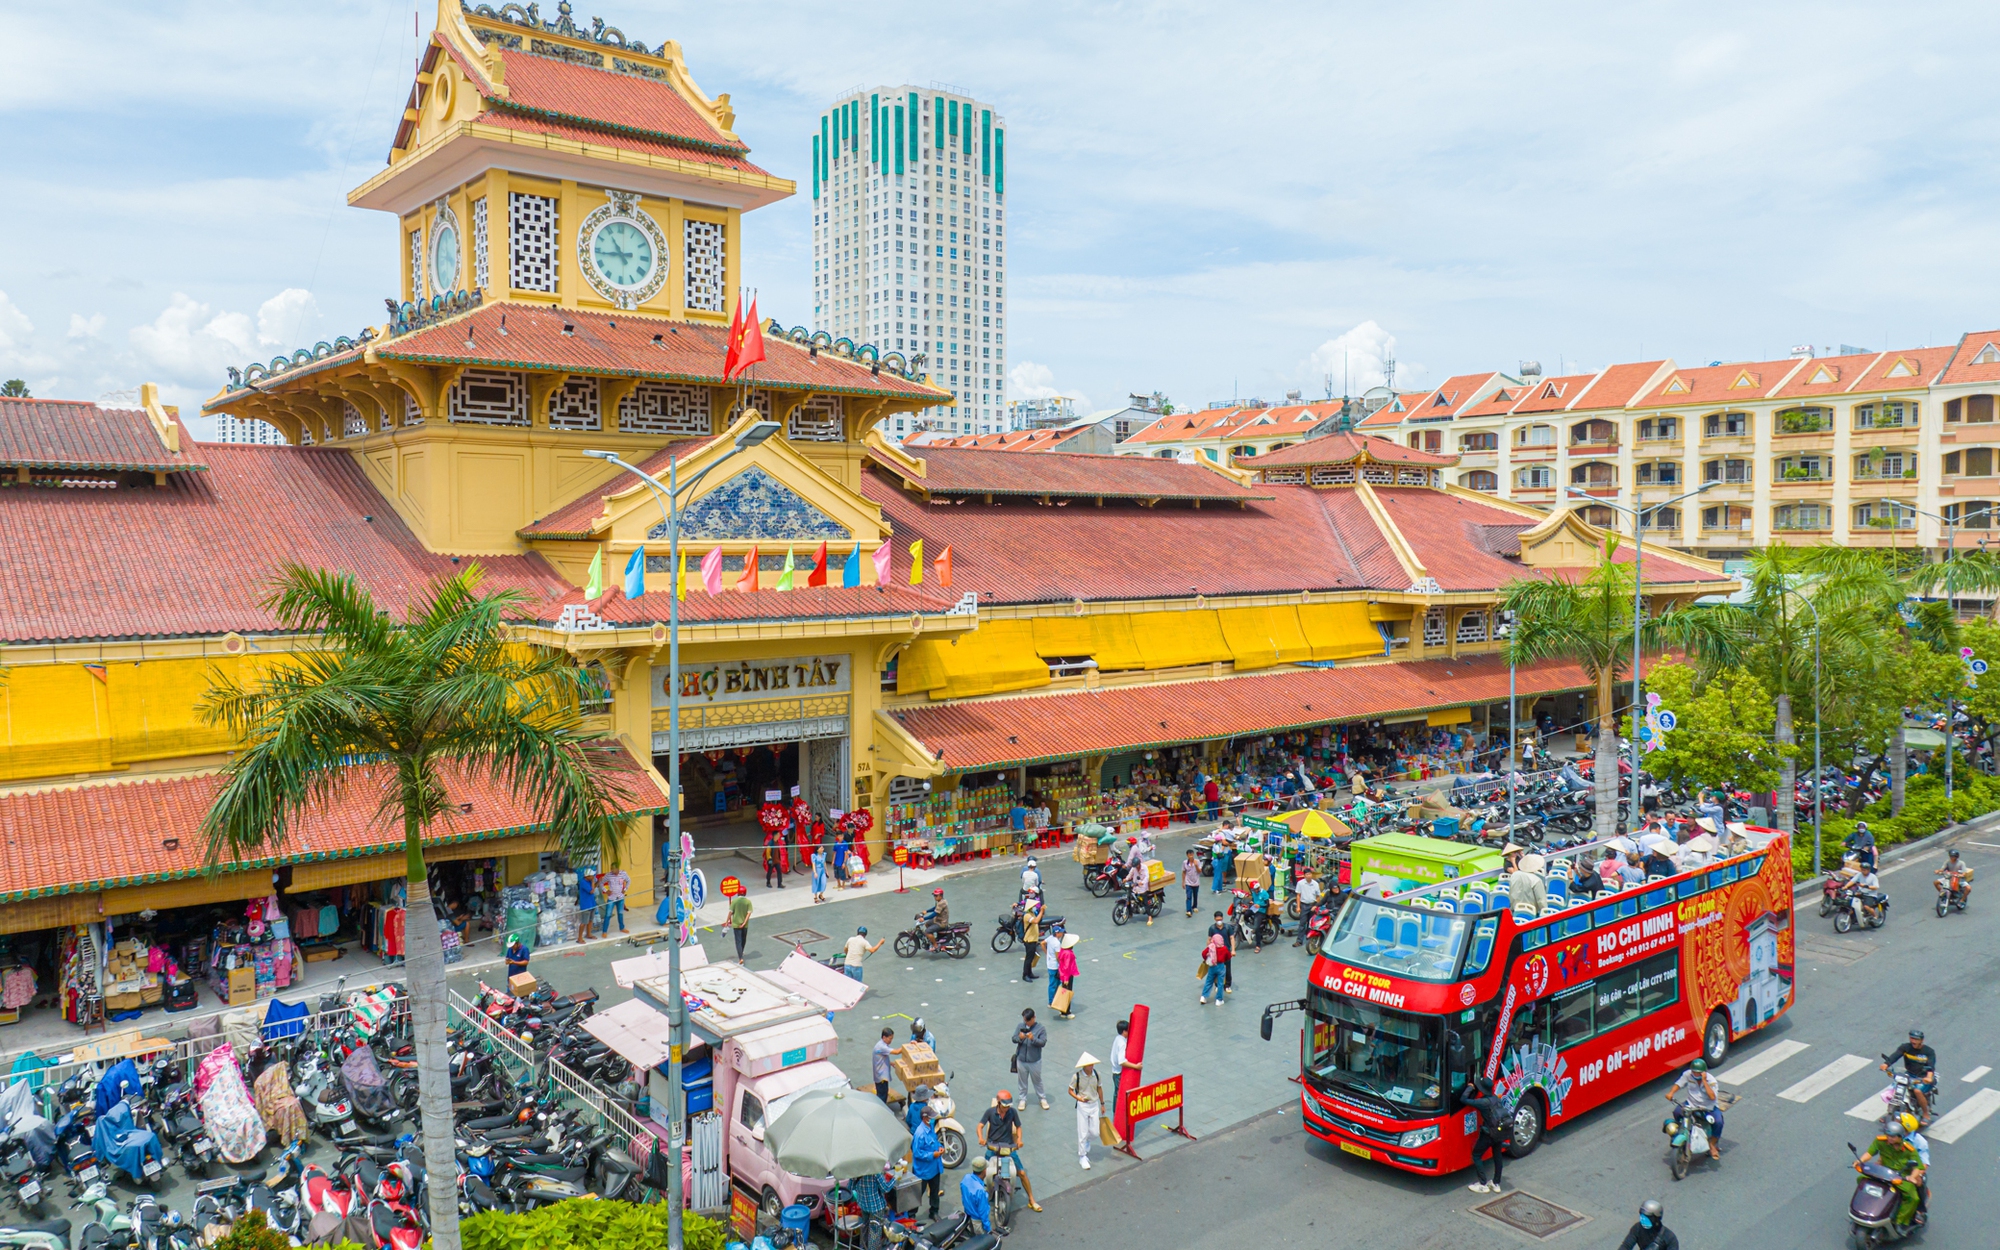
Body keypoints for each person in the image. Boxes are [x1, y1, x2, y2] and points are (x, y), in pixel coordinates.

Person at [976, 1090, 1041, 1212]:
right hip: (992, 1146)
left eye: (1008, 1106)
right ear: (999, 1103)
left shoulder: (1012, 1112)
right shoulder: (990, 1112)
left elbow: (1018, 1127)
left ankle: (1031, 1199)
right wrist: (981, 1138)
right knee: (981, 1172)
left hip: (1008, 1147)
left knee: (1021, 1173)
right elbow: (980, 1126)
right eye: (1004, 1106)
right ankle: (979, 1197)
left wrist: (1019, 1140)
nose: (1006, 1109)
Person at [1856, 1122, 1925, 1229]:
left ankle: (1900, 1221)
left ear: (1900, 1137)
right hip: (1883, 1172)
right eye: (1888, 1135)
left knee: (1913, 1198)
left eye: (1892, 1136)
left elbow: (1918, 1167)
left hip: (1900, 1177)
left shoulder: (1909, 1149)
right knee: (1862, 1181)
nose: (1889, 1138)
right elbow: (1869, 1153)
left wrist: (1912, 1177)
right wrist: (1860, 1161)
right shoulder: (1880, 1141)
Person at [1666, 1059, 1722, 1159]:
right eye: (1694, 1071)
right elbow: (1679, 1084)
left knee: (1718, 1122)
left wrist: (1704, 1081)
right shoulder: (1688, 1074)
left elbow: (1712, 1097)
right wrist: (1671, 1093)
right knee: (1677, 1112)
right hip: (1691, 1103)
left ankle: (1712, 1145)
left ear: (1704, 1072)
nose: (1695, 1074)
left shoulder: (1711, 1081)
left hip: (1707, 1107)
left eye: (1698, 1072)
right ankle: (1683, 1132)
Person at [1463, 1077, 1509, 1194]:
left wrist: (1469, 1087)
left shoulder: (1483, 1102)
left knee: (1476, 1155)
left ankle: (1483, 1184)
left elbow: (1463, 1099)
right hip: (1499, 1132)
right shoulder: (1496, 1099)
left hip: (1488, 1134)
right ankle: (1496, 1183)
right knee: (1497, 1156)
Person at [1882, 1030, 1937, 1122]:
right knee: (1896, 1089)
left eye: (1916, 1039)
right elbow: (1895, 1056)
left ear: (1921, 1040)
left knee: (1917, 1091)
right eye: (1912, 1038)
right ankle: (1890, 1112)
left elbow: (1930, 1066)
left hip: (1923, 1077)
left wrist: (1929, 1077)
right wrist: (1886, 1064)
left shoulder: (1929, 1051)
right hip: (1909, 1074)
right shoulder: (1905, 1048)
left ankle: (1926, 1114)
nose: (1913, 1041)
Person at [1069, 1053, 1106, 1169]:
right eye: (1089, 1065)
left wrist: (1102, 1103)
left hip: (1094, 1104)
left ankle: (1087, 1142)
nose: (1092, 1066)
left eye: (1092, 1064)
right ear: (1084, 1066)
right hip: (1083, 1105)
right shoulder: (1077, 1077)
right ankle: (1082, 1156)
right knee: (1082, 1131)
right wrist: (1078, 1098)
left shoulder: (1097, 1075)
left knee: (1095, 1132)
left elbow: (1099, 1088)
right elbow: (1070, 1090)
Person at [909, 1104, 944, 1220]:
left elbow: (934, 1141)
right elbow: (917, 1153)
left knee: (934, 1192)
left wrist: (940, 1147)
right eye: (931, 1117)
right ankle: (911, 1215)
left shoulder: (931, 1127)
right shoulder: (919, 1134)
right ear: (925, 1118)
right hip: (923, 1171)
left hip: (934, 1168)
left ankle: (934, 1211)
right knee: (918, 1194)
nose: (933, 1119)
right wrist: (932, 1155)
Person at [1013, 1009, 1049, 1110]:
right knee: (1022, 1081)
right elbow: (1013, 1039)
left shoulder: (1040, 1028)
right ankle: (1022, 1099)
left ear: (1034, 1018)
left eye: (1028, 1020)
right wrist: (1020, 1038)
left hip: (1034, 1061)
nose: (1026, 1022)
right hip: (1021, 1059)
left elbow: (1042, 1043)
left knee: (1037, 1080)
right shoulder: (1020, 1026)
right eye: (1025, 1020)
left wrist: (1033, 1038)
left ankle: (1042, 1098)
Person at [850, 1165, 892, 1249]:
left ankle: (863, 1247)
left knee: (864, 1227)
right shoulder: (875, 1171)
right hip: (876, 1207)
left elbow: (850, 1187)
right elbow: (885, 1189)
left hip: (863, 1205)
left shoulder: (855, 1171)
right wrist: (895, 1179)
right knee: (874, 1232)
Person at [1615, 1199, 1679, 1250]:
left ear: (1656, 1219)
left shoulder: (1670, 1238)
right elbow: (1626, 1246)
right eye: (1641, 1216)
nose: (1642, 1219)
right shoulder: (1637, 1228)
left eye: (1646, 1218)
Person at [959, 1160, 996, 1234]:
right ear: (984, 1171)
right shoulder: (980, 1191)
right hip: (977, 1222)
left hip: (967, 1217)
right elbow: (983, 1213)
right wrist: (988, 1229)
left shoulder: (966, 1178)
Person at [1205, 910, 1237, 994]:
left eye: (1220, 919)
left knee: (1227, 969)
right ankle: (1217, 985)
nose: (1219, 921)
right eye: (1217, 919)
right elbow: (1209, 939)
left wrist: (1233, 950)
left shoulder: (1227, 927)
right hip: (1216, 953)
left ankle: (1227, 985)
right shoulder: (1212, 928)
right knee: (1216, 969)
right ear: (1215, 919)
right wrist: (1208, 950)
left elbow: (1232, 938)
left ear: (1222, 918)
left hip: (1226, 951)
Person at [1292, 867, 1325, 945]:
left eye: (1310, 874)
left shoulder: (1315, 884)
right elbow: (1298, 895)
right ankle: (1299, 941)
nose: (1309, 875)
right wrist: (1298, 907)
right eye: (1307, 874)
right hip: (1304, 905)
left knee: (1311, 924)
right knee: (1302, 924)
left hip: (1313, 906)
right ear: (1304, 875)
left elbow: (1317, 897)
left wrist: (1317, 906)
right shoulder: (1300, 884)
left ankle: (1309, 939)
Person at [1200, 928, 1230, 1005]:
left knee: (1209, 981)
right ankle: (1219, 1000)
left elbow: (1203, 953)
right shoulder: (1224, 948)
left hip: (1212, 966)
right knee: (1220, 983)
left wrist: (1207, 958)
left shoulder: (1211, 946)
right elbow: (1228, 957)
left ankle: (1203, 996)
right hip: (1220, 966)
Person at [1054, 933, 1080, 1019]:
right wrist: (1066, 978)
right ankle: (1066, 1011)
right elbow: (1067, 967)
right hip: (1067, 975)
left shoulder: (1063, 951)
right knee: (1067, 993)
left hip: (1063, 975)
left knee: (1064, 991)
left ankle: (1063, 1010)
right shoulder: (1068, 953)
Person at [599, 866, 630, 933]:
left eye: (614, 871)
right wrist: (606, 891)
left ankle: (622, 928)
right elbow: (601, 883)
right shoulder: (608, 875)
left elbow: (628, 881)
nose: (613, 872)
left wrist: (625, 889)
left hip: (620, 897)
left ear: (617, 869)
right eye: (612, 870)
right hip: (611, 898)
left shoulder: (623, 873)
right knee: (608, 914)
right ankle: (604, 931)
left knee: (620, 913)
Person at [1020, 897, 1043, 983]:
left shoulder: (1031, 913)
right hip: (1029, 940)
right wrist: (1041, 911)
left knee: (1031, 956)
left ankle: (1029, 973)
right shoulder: (1027, 916)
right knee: (1029, 958)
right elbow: (1036, 921)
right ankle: (1025, 974)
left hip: (1033, 939)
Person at [921, 887, 950, 951]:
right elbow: (935, 908)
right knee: (927, 924)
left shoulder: (942, 903)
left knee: (927, 932)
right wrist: (927, 911)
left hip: (941, 923)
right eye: (934, 895)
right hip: (938, 920)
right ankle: (933, 939)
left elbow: (934, 914)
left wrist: (924, 918)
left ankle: (935, 945)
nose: (934, 897)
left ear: (940, 896)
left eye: (936, 895)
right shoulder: (940, 901)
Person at [872, 1028, 897, 1103]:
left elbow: (882, 1059)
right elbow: (896, 1052)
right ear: (884, 1037)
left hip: (880, 1076)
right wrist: (908, 1046)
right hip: (881, 1077)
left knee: (883, 1094)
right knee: (882, 1096)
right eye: (890, 1038)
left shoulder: (881, 1044)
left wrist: (891, 1063)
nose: (891, 1041)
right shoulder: (881, 1047)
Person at [728, 889, 752, 963]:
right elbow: (749, 913)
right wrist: (744, 923)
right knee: (743, 939)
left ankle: (740, 957)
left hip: (736, 924)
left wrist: (727, 921)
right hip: (745, 925)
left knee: (738, 941)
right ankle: (741, 951)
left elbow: (730, 913)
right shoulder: (748, 902)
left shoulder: (734, 902)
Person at [574, 867, 597, 942]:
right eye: (591, 876)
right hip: (586, 905)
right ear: (587, 876)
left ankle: (588, 934)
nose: (593, 877)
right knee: (584, 922)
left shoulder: (590, 881)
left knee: (590, 920)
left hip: (592, 904)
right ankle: (579, 938)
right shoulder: (583, 882)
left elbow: (593, 887)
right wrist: (593, 881)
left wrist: (597, 882)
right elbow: (591, 891)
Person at [1181, 850, 1201, 918]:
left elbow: (1199, 871)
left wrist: (1196, 866)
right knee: (1188, 896)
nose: (1191, 855)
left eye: (1192, 854)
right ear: (1187, 855)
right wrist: (1183, 882)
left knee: (1195, 895)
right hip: (1188, 882)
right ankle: (1188, 910)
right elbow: (1184, 872)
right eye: (1189, 854)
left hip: (1196, 882)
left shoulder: (1197, 862)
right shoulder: (1185, 863)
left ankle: (1194, 906)